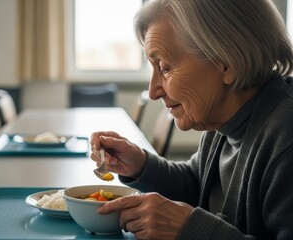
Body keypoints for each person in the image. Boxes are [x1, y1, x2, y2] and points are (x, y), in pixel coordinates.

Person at [90, 0, 293, 239]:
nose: (154, 91)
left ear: (226, 62)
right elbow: (197, 185)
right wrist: (140, 165)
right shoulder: (223, 119)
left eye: (164, 67)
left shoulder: (286, 139)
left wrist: (192, 229)